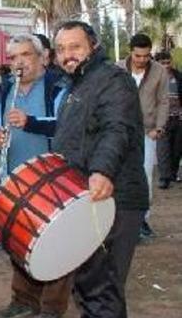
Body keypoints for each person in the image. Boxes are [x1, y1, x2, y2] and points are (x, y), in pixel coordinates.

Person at [53, 21, 148, 317]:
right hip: (87, 198)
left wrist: (102, 171)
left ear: (93, 47)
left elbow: (116, 129)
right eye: (61, 49)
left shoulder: (112, 80)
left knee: (102, 289)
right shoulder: (77, 85)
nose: (67, 54)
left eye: (75, 47)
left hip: (114, 197)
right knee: (90, 287)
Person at [0, 34, 70, 318]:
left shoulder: (59, 87)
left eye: (26, 55)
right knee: (19, 240)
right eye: (14, 57)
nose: (19, 63)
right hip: (15, 178)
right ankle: (24, 300)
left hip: (52, 178)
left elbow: (66, 126)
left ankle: (53, 307)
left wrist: (30, 122)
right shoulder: (2, 90)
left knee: (56, 243)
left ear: (42, 57)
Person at [116, 33, 168, 238]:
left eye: (146, 56)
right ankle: (119, 220)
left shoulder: (160, 71)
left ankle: (142, 221)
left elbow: (163, 101)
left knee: (144, 175)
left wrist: (159, 128)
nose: (142, 60)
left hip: (147, 131)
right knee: (119, 174)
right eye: (138, 56)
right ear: (131, 52)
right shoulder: (117, 69)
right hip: (120, 130)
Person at [155, 51, 182, 188]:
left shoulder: (178, 76)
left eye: (167, 62)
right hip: (161, 120)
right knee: (163, 149)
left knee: (177, 149)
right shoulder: (152, 79)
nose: (166, 65)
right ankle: (164, 178)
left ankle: (173, 173)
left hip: (178, 118)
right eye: (162, 63)